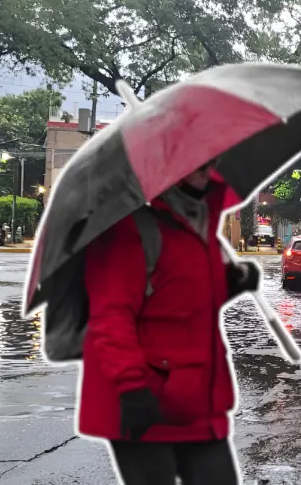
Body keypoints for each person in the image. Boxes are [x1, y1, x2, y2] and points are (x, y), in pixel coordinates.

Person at [78, 162, 260, 485]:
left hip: (196, 401)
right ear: (169, 168)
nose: (210, 169)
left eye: (212, 161)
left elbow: (184, 306)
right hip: (143, 401)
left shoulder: (201, 229)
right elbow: (110, 318)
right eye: (198, 164)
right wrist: (132, 389)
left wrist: (231, 284)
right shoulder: (131, 231)